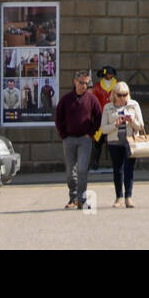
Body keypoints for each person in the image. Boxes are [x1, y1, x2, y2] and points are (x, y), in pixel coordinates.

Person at [54, 71, 102, 209]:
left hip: (84, 140)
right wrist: (63, 135)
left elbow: (98, 117)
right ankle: (72, 197)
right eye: (81, 83)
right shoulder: (66, 99)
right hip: (69, 139)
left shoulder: (92, 99)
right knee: (70, 171)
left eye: (87, 83)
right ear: (74, 82)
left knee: (82, 169)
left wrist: (91, 133)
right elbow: (58, 118)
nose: (84, 86)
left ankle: (81, 198)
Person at [99, 81, 145, 208]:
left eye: (125, 95)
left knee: (129, 169)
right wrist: (115, 124)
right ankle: (119, 197)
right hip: (114, 142)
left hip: (130, 141)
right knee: (117, 170)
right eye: (120, 95)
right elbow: (103, 129)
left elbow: (141, 126)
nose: (122, 98)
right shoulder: (108, 107)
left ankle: (128, 197)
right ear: (114, 94)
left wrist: (132, 121)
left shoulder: (134, 105)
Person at [90, 65, 118, 173]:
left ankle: (116, 163)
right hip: (100, 118)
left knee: (114, 142)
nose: (110, 75)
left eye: (111, 74)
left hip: (113, 117)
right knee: (98, 142)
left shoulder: (117, 86)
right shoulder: (97, 87)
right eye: (108, 74)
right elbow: (94, 102)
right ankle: (95, 162)